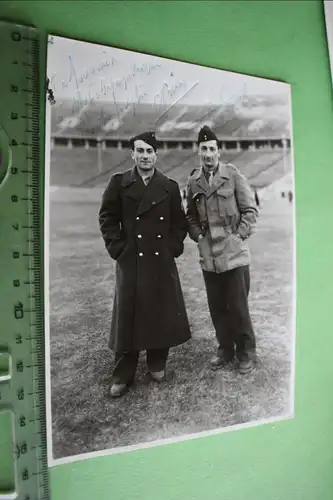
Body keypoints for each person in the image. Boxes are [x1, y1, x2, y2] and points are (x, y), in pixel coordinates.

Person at [98, 130, 191, 397]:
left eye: (149, 151)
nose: (145, 156)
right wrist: (117, 248)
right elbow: (107, 216)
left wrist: (172, 246)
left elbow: (179, 223)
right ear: (133, 154)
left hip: (160, 260)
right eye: (140, 151)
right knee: (128, 314)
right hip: (131, 260)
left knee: (159, 311)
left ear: (156, 155)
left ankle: (156, 362)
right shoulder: (119, 182)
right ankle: (123, 372)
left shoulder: (169, 186)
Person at [186, 125, 258, 374]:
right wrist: (199, 237)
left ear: (218, 151)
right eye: (204, 149)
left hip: (234, 255)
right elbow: (190, 217)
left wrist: (239, 236)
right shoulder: (193, 181)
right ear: (198, 152)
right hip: (210, 258)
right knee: (217, 307)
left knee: (238, 307)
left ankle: (246, 352)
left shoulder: (233, 175)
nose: (208, 154)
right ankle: (225, 349)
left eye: (212, 149)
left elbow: (250, 211)